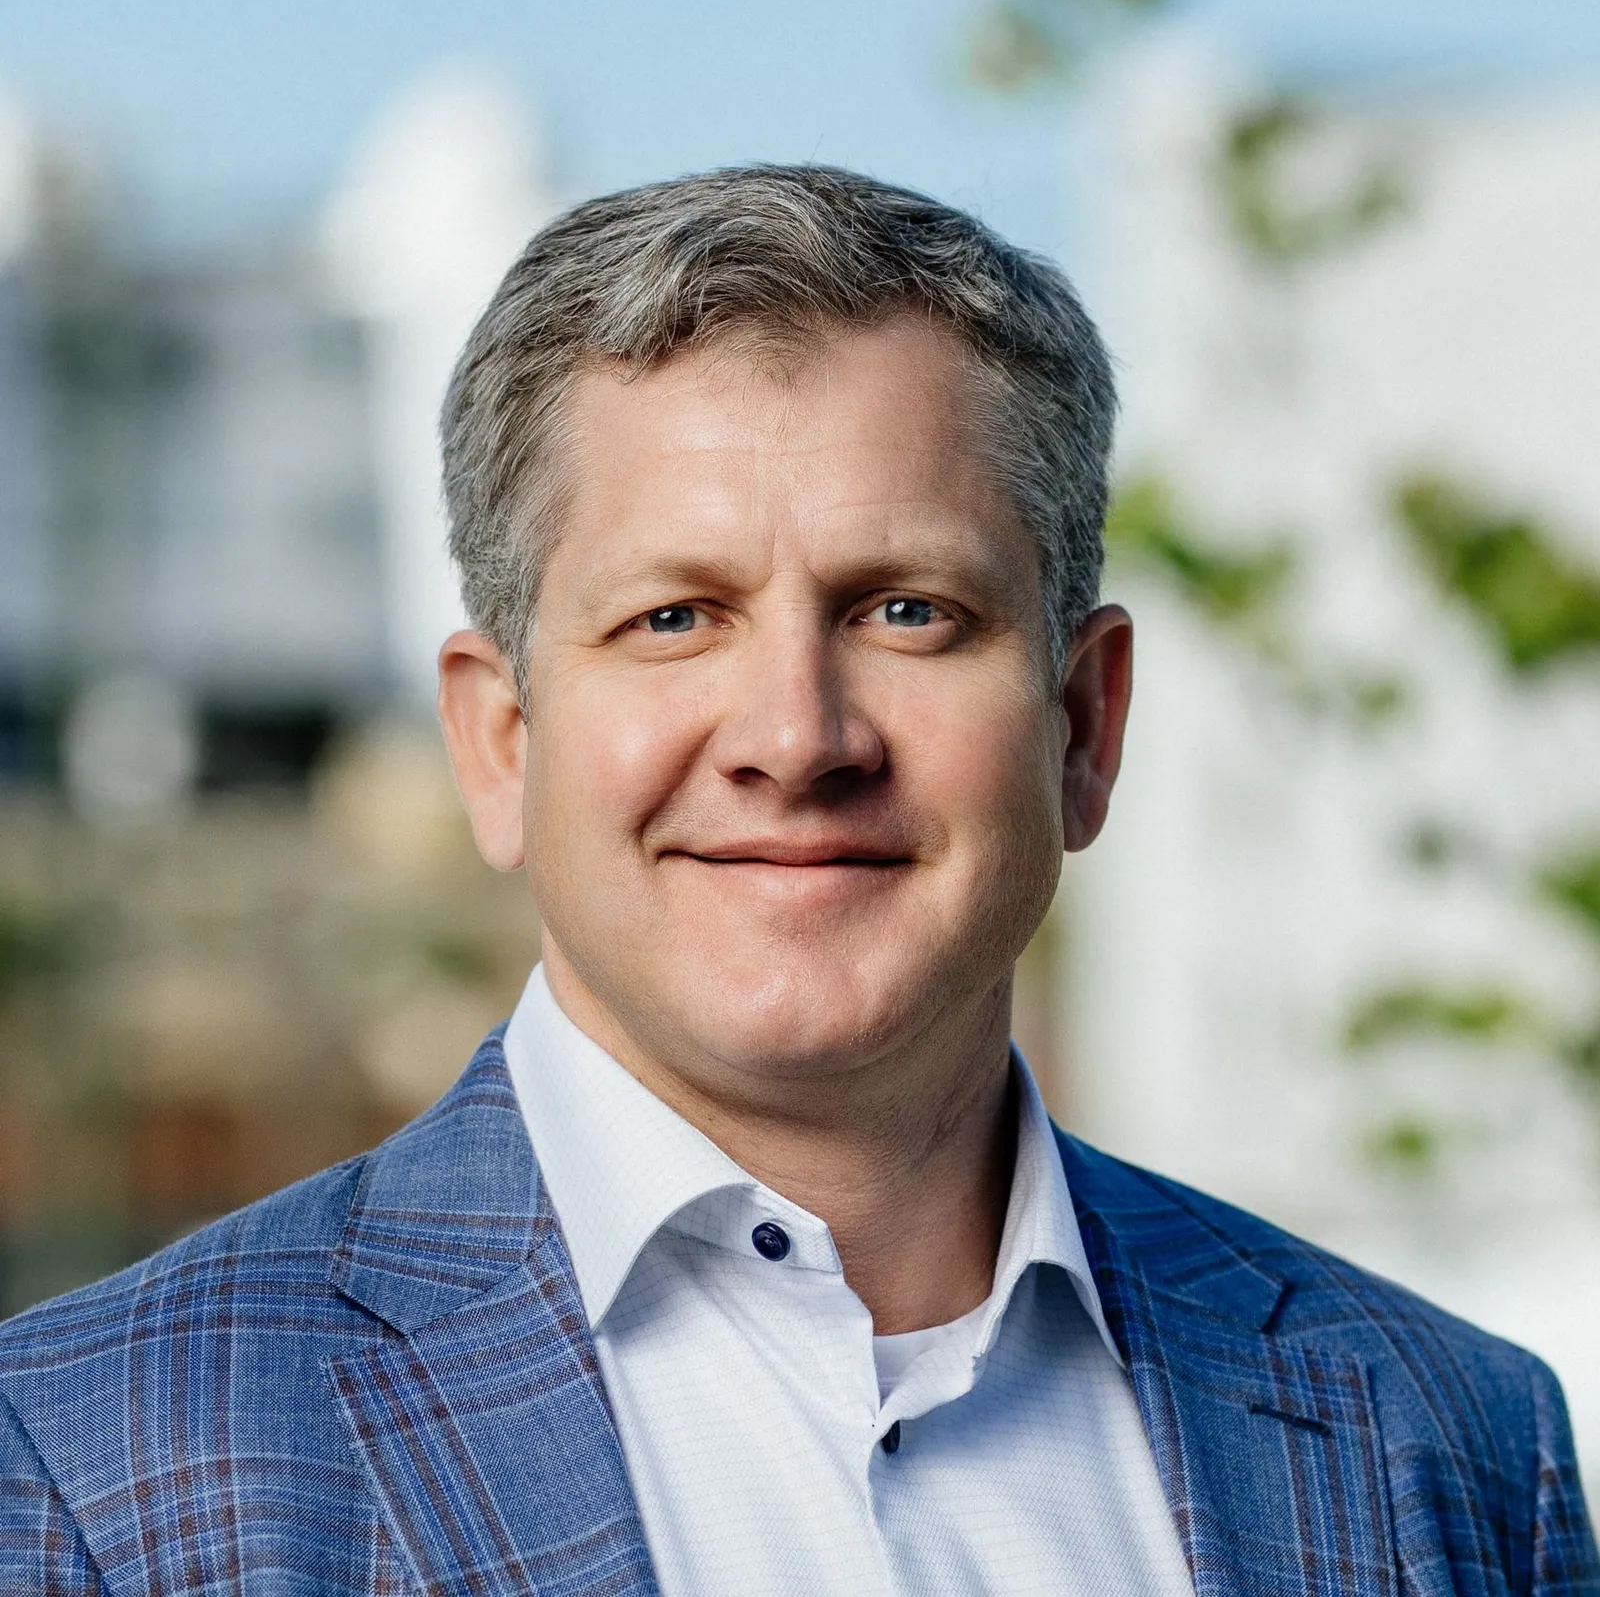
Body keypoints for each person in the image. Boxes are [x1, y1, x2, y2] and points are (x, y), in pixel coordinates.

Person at [1, 164, 1594, 1596]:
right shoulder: (86, 1464)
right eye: (675, 618)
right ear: (500, 744)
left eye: (907, 611)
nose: (794, 736)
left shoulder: (1448, 1443)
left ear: (1084, 725)